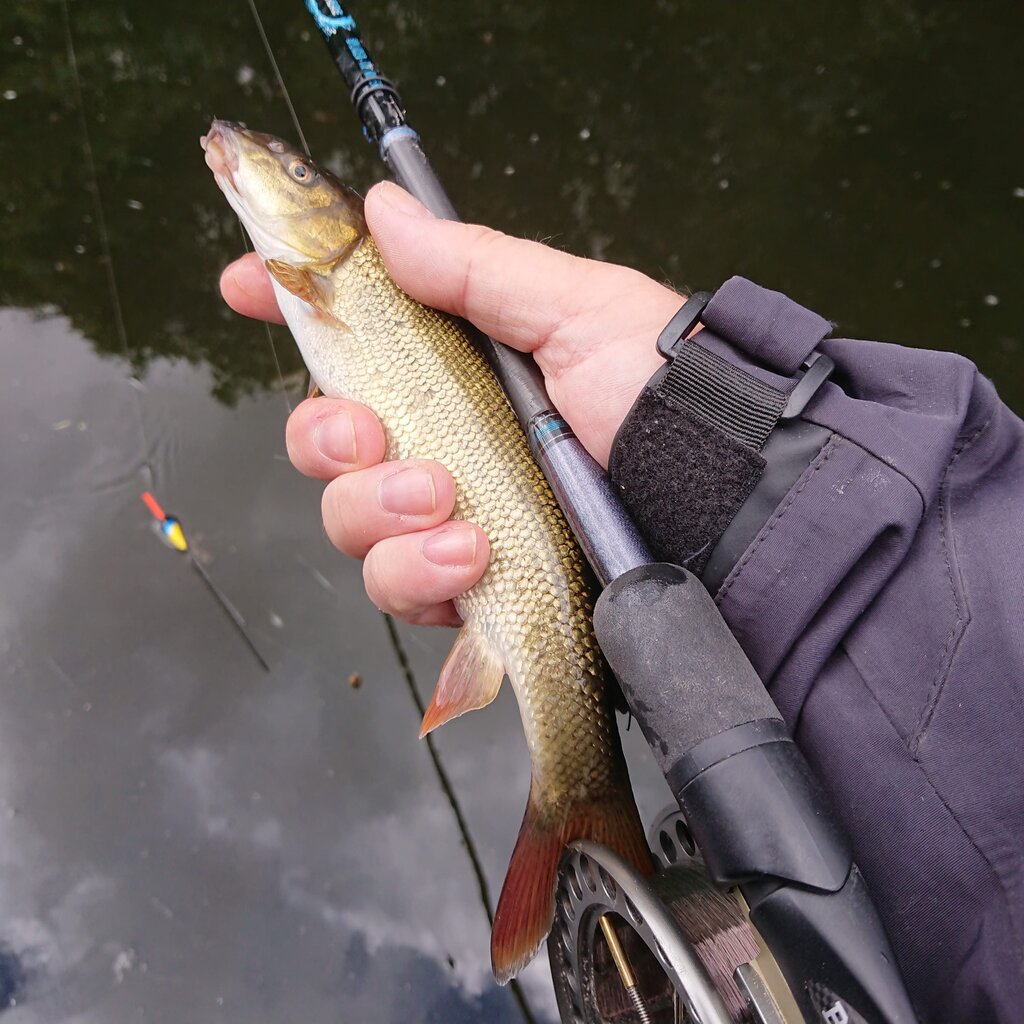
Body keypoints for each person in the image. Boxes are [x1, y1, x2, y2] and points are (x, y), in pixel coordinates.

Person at [221, 180, 1023, 1023]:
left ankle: (582, 800)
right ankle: (589, 808)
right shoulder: (311, 275)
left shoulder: (334, 268)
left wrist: (703, 447)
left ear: (335, 220)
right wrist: (723, 458)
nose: (271, 171)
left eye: (300, 177)